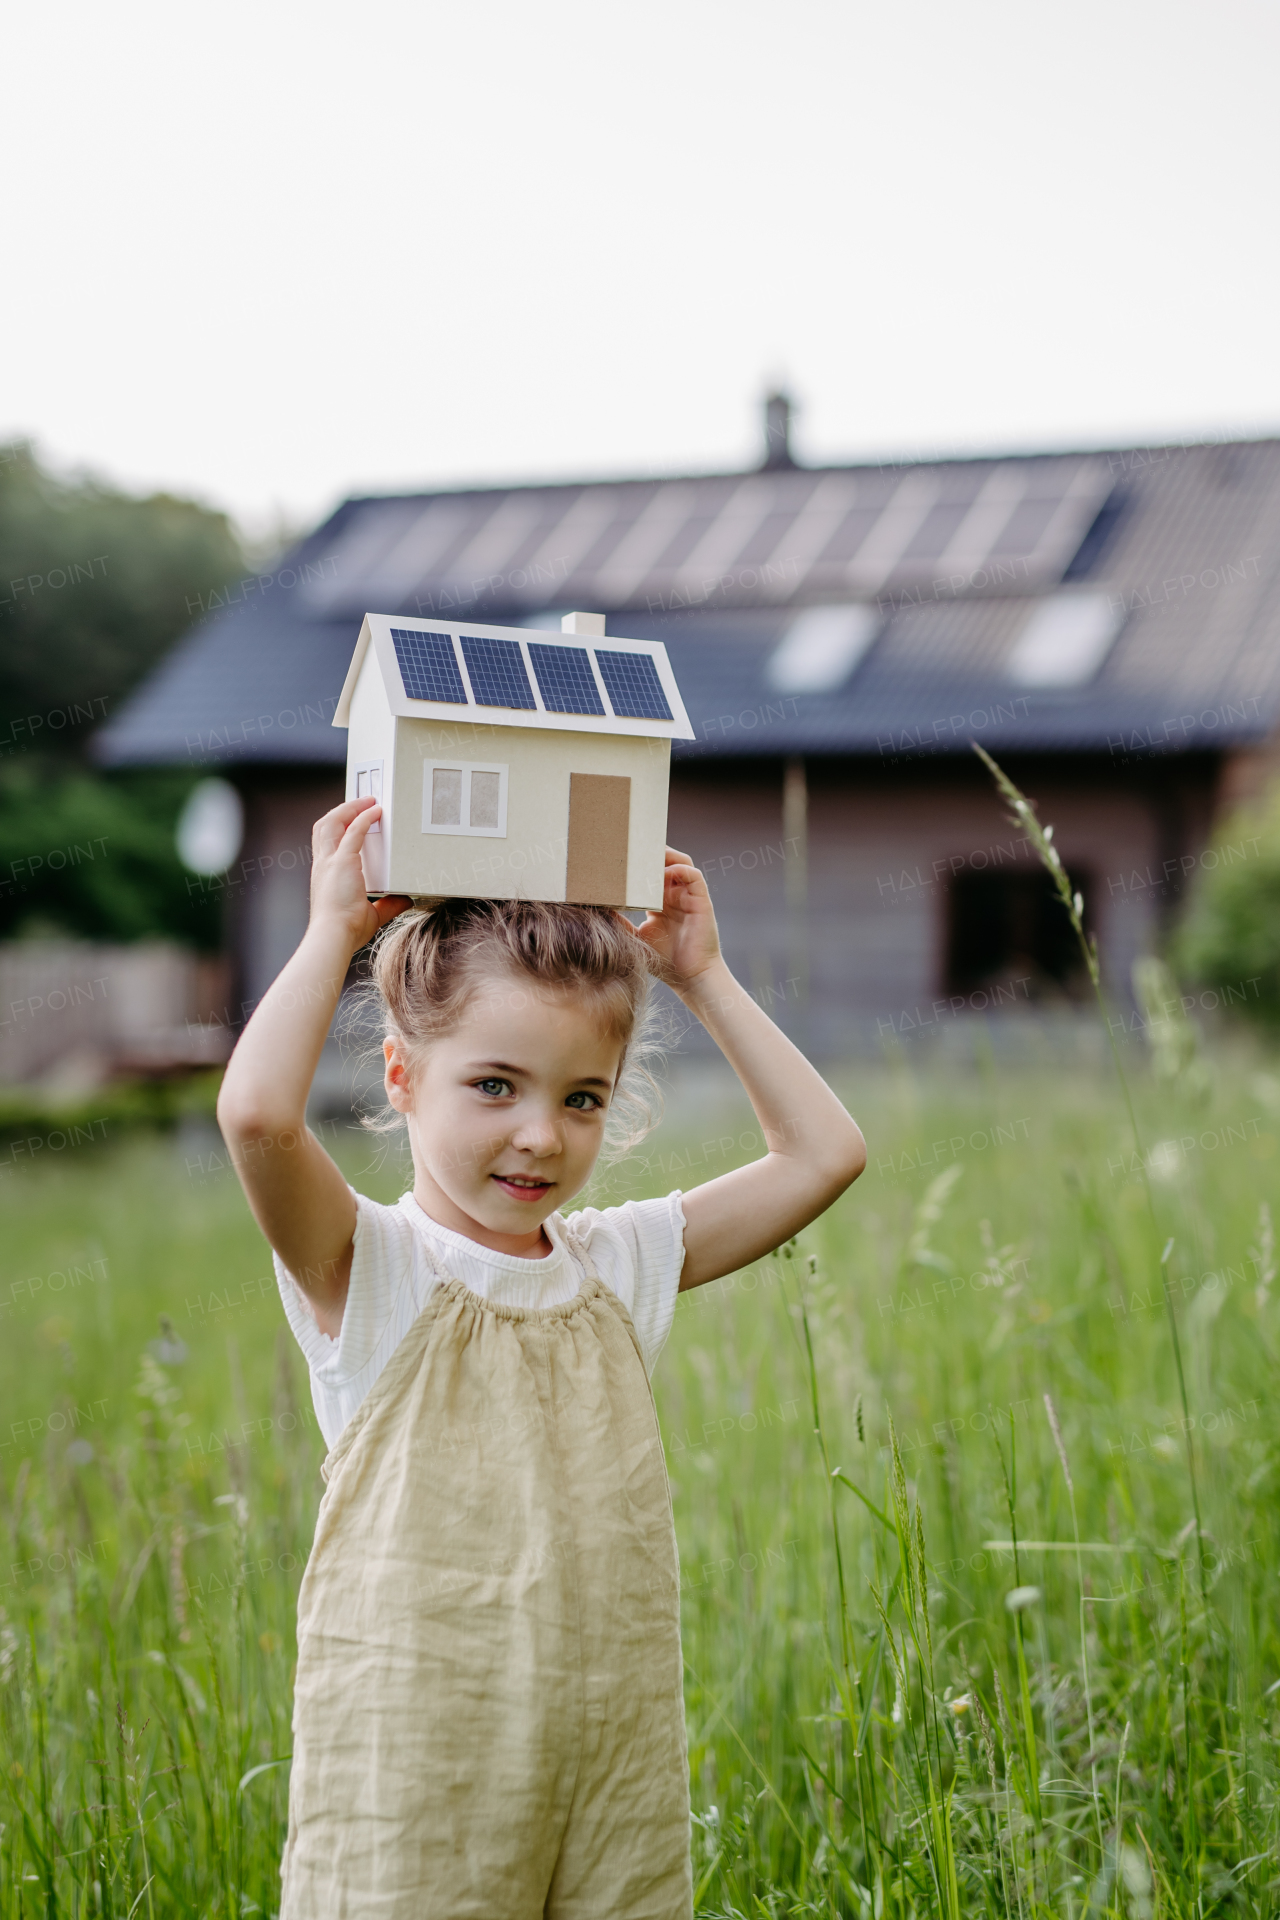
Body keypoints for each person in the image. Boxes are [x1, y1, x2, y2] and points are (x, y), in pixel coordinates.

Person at [216, 794, 866, 1920]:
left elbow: (823, 1154)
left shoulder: (613, 1266)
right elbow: (260, 1118)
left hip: (606, 1769)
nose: (539, 1135)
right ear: (401, 1077)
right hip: (422, 1773)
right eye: (493, 1085)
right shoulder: (367, 1267)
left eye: (582, 1099)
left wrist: (700, 976)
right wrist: (333, 933)